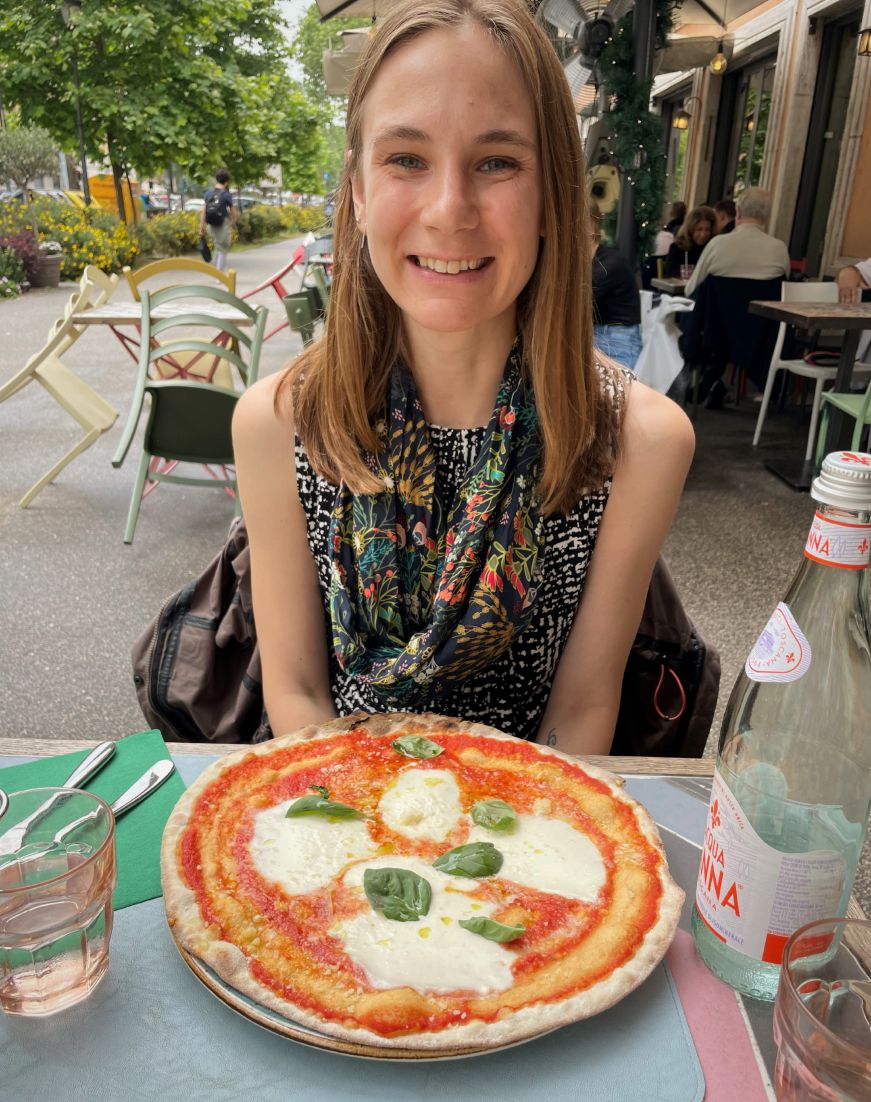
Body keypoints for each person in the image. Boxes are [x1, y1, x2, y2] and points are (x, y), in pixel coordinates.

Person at [232, 0, 694, 757]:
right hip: (338, 814)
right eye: (406, 159)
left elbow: (579, 709)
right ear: (356, 189)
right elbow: (299, 691)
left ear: (552, 194)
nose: (450, 211)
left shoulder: (640, 440)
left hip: (534, 832)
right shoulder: (277, 421)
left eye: (497, 162)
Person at [684, 188, 789, 297]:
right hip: (760, 314)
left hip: (718, 313)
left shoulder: (717, 244)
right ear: (767, 217)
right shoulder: (779, 249)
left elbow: (690, 289)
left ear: (737, 212)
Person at [590, 207, 642, 370]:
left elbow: (571, 301)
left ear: (591, 226)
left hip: (617, 339)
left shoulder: (610, 263)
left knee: (613, 394)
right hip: (597, 335)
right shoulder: (586, 262)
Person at [200, 168, 237, 272]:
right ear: (227, 181)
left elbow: (204, 210)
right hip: (222, 224)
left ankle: (217, 271)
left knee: (218, 246)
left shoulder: (208, 193)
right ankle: (219, 274)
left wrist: (201, 226)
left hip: (210, 224)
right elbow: (233, 211)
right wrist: (233, 222)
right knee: (223, 248)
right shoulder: (226, 194)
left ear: (216, 179)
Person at [664, 206, 716, 279]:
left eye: (707, 230)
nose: (703, 234)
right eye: (699, 229)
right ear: (690, 230)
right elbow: (669, 274)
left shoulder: (713, 247)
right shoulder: (678, 247)